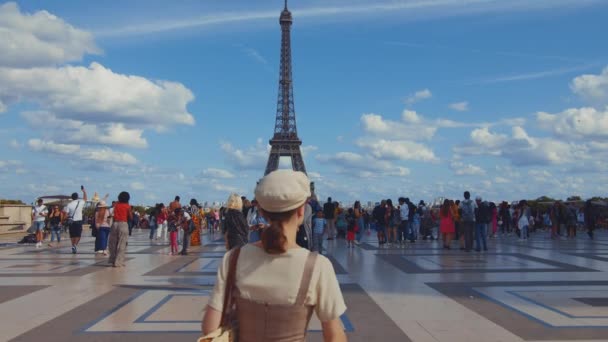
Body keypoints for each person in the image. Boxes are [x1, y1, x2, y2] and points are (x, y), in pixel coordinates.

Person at [202, 170, 347, 341]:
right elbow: (334, 336)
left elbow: (209, 327)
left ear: (262, 212)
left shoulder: (233, 258)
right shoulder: (317, 266)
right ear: (302, 211)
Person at [108, 192, 132, 267]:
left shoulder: (116, 205)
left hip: (115, 224)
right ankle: (118, 262)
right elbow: (130, 217)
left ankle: (112, 259)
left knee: (113, 243)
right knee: (122, 243)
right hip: (123, 224)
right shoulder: (127, 206)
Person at [63, 187, 87, 254]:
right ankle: (75, 245)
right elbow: (85, 198)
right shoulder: (80, 202)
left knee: (72, 235)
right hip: (78, 220)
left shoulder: (69, 204)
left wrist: (64, 220)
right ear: (77, 197)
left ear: (72, 197)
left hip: (71, 221)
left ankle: (73, 245)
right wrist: (84, 191)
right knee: (78, 235)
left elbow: (66, 214)